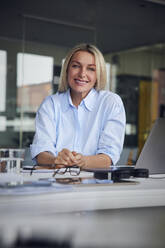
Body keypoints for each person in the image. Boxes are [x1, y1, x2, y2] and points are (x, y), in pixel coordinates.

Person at [30, 43, 126, 169]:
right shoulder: (51, 104)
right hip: (55, 182)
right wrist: (56, 159)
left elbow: (109, 156)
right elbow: (40, 152)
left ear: (98, 75)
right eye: (76, 66)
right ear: (67, 70)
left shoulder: (111, 103)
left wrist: (83, 161)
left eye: (91, 69)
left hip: (95, 185)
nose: (82, 74)